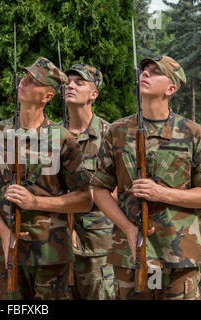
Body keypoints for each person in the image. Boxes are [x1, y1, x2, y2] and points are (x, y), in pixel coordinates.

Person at [92, 55, 201, 300]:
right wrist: (128, 229)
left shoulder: (192, 133)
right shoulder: (118, 132)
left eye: (154, 71)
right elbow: (99, 190)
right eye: (144, 70)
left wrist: (161, 193)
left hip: (178, 255)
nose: (145, 74)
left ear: (171, 88)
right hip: (131, 254)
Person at [0, 57, 92, 300]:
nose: (23, 82)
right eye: (24, 77)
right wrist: (4, 233)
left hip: (50, 252)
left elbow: (83, 199)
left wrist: (36, 203)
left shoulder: (62, 138)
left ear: (47, 96)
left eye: (33, 80)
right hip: (7, 248)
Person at [63, 63, 116, 300]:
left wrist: (87, 199)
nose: (70, 85)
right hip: (57, 244)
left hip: (98, 245)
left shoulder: (111, 134)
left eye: (79, 82)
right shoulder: (52, 134)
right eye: (68, 82)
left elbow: (123, 189)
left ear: (93, 94)